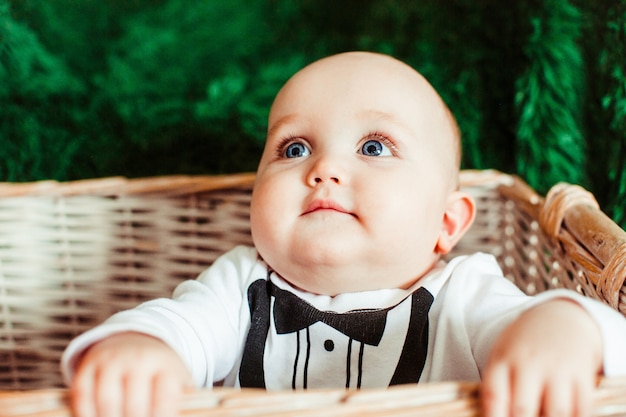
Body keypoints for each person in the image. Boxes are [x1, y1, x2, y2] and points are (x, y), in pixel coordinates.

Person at [62, 51, 626, 417]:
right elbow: (181, 325)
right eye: (294, 148)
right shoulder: (240, 283)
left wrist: (563, 325)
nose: (323, 169)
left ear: (446, 223)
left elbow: (523, 327)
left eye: (374, 147)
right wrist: (143, 347)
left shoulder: (466, 292)